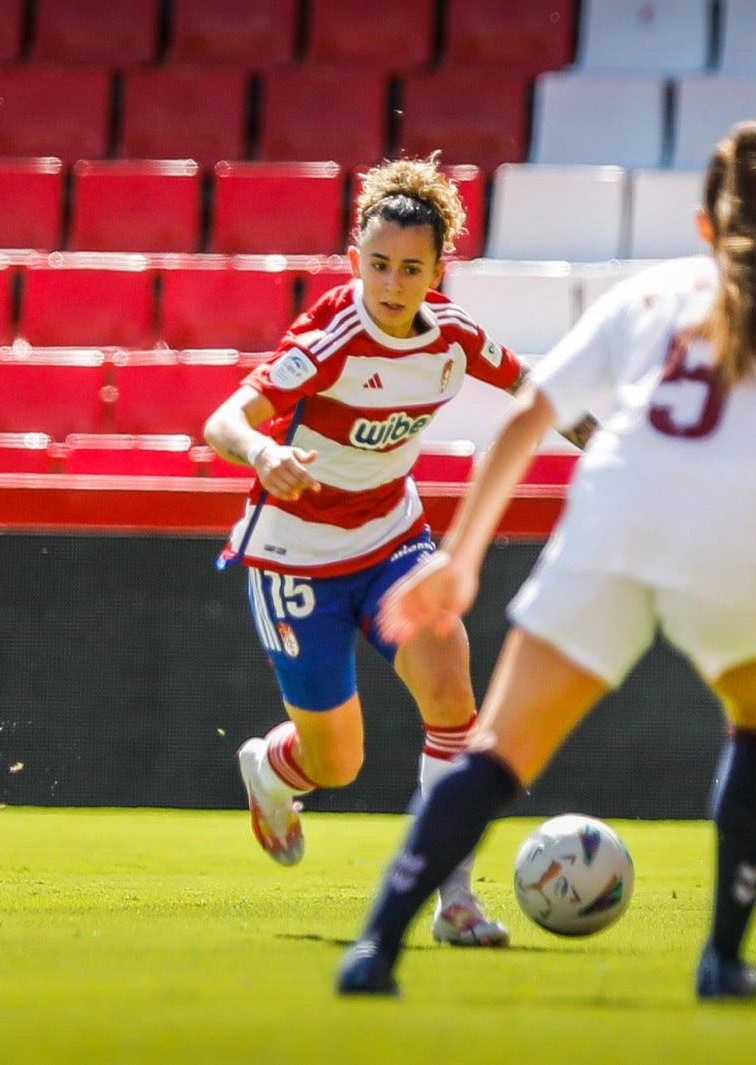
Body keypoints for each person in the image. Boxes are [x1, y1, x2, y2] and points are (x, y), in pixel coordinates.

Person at [336, 122, 756, 997]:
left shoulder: (649, 295)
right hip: (737, 539)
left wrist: (461, 556)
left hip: (613, 519)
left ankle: (375, 947)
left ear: (703, 224)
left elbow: (527, 419)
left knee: (496, 750)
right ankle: (722, 957)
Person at [205, 154, 565, 947]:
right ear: (353, 259)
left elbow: (542, 396)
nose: (392, 284)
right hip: (297, 558)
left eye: (411, 268)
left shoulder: (454, 337)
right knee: (339, 763)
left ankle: (455, 900)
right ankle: (270, 768)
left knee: (451, 694)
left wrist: (613, 447)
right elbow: (224, 419)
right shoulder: (332, 336)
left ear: (440, 269)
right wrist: (264, 455)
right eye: (377, 265)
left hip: (394, 540)